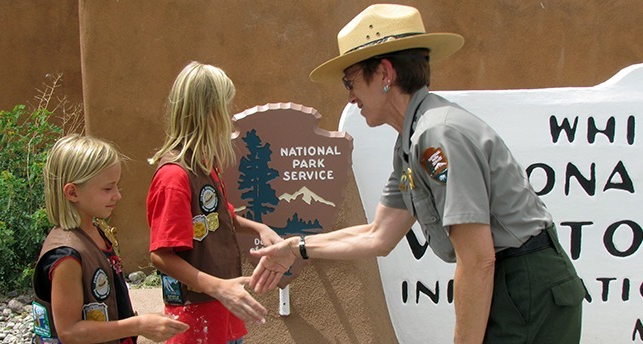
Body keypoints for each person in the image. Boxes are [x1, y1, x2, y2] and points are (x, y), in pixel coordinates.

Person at [250, 4, 585, 343]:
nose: (350, 97)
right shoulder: (412, 142)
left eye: (349, 82)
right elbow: (378, 235)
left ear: (384, 74)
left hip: (525, 285)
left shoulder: (437, 135)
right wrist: (296, 247)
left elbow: (477, 258)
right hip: (512, 282)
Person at [146, 61, 284, 344]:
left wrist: (260, 229)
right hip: (195, 318)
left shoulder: (206, 164)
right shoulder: (174, 176)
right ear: (209, 114)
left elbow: (223, 218)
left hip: (222, 309)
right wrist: (218, 287)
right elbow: (161, 254)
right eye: (226, 108)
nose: (230, 117)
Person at [32, 134, 189, 344]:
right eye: (107, 188)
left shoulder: (95, 232)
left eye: (116, 186)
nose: (117, 195)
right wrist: (138, 325)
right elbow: (69, 332)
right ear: (72, 192)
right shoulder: (67, 257)